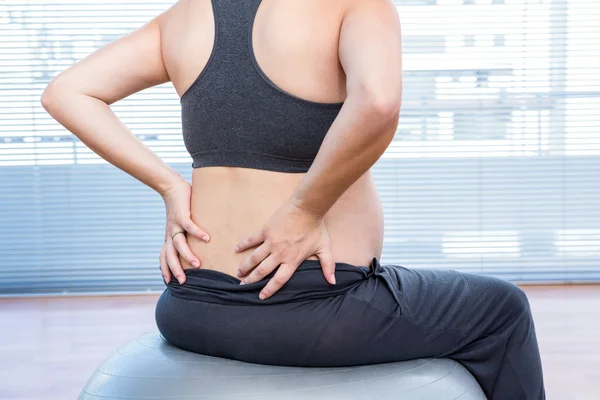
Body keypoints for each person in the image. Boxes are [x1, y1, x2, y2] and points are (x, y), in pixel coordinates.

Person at [40, 0, 546, 398]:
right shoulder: (354, 6)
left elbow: (67, 92)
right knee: (504, 308)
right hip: (308, 309)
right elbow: (379, 99)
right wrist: (304, 211)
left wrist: (171, 187)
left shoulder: (186, 15)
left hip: (188, 307)